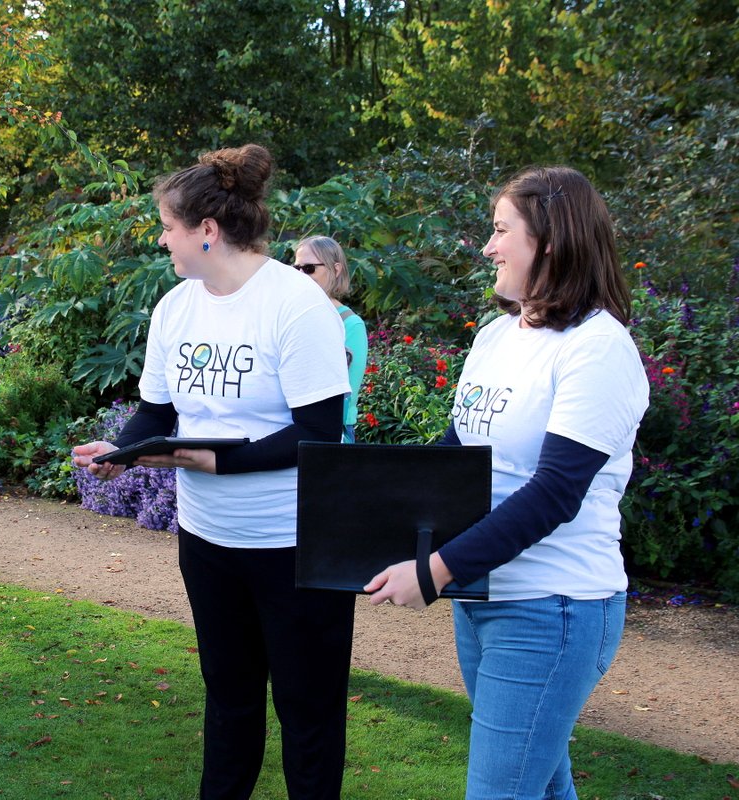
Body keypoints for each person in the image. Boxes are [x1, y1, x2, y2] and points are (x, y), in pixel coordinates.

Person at [72, 144, 356, 799]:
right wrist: (118, 453)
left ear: (208, 231)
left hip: (296, 548)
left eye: (169, 226)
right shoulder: (177, 307)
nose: (162, 238)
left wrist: (218, 461)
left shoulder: (295, 305)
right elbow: (154, 413)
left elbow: (318, 436)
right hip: (207, 543)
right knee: (229, 707)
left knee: (307, 718)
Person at [364, 166, 649, 800]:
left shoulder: (597, 349)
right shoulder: (496, 335)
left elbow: (553, 493)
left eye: (500, 231)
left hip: (554, 607)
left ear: (550, 241)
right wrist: (362, 501)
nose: (488, 247)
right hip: (484, 597)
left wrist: (437, 569)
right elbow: (458, 451)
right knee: (541, 786)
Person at [293, 235, 368, 442]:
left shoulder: (350, 325)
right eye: (296, 268)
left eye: (309, 269)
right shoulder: (289, 317)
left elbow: (344, 395)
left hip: (331, 433)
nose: (300, 275)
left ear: (335, 270)